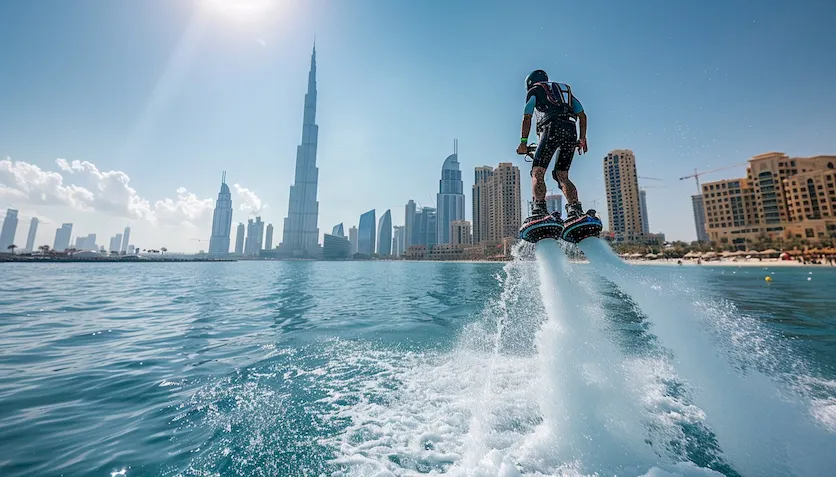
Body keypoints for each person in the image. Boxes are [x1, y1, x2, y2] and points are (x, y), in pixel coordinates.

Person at [516, 69, 588, 224]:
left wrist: (523, 143)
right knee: (562, 175)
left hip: (551, 127)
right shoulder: (564, 91)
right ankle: (575, 210)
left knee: (538, 172)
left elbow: (527, 116)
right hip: (571, 129)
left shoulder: (535, 90)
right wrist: (582, 138)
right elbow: (582, 115)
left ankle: (539, 210)